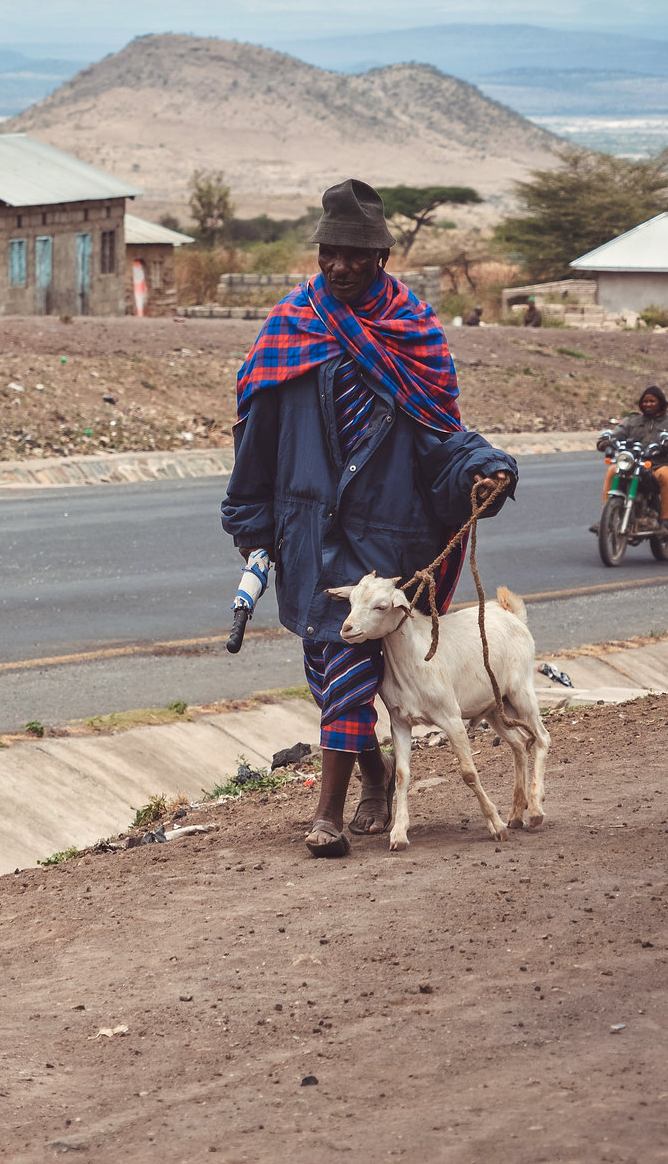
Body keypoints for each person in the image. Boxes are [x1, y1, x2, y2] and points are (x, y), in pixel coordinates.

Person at [222, 178, 518, 859]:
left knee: (350, 666)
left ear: (382, 256)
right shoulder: (288, 329)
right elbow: (255, 435)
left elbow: (442, 436)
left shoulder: (414, 332)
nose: (340, 265)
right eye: (330, 251)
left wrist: (484, 472)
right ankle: (378, 777)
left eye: (356, 254)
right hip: (310, 533)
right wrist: (253, 526)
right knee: (328, 673)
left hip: (390, 540)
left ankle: (326, 813)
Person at [598, 386, 668, 524]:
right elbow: (616, 435)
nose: (648, 404)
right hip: (633, 464)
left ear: (661, 403)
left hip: (658, 464)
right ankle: (606, 517)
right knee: (612, 471)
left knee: (667, 475)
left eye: (652, 401)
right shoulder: (632, 421)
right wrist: (605, 443)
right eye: (645, 401)